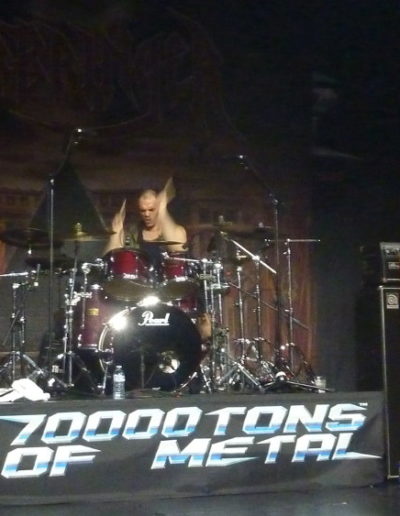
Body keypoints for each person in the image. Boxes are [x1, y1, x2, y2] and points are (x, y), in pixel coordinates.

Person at [103, 177, 187, 269]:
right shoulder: (131, 233)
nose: (147, 214)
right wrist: (115, 234)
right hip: (138, 277)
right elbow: (108, 263)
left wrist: (163, 211)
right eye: (143, 210)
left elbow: (179, 256)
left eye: (151, 210)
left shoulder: (175, 231)